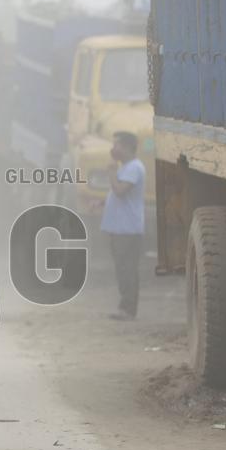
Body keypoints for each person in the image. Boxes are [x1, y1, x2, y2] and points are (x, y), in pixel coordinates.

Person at [100, 131, 145, 321]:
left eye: (117, 144)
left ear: (127, 147)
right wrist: (101, 203)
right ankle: (124, 307)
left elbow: (119, 191)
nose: (113, 148)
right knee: (122, 267)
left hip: (128, 229)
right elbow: (117, 194)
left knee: (127, 268)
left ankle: (127, 308)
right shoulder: (126, 167)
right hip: (119, 227)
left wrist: (111, 173)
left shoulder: (134, 167)